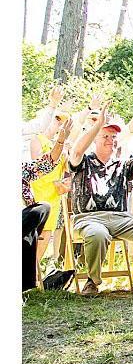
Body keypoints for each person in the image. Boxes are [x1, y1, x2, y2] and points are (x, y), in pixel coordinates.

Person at [67, 103, 133, 299]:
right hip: (88, 219)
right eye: (105, 136)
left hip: (121, 218)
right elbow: (76, 152)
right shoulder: (84, 161)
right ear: (95, 139)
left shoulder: (121, 164)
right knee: (97, 233)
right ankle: (92, 281)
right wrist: (98, 125)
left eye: (113, 137)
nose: (111, 140)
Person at [23, 118, 73, 290]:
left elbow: (46, 164)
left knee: (41, 209)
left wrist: (60, 141)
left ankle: (26, 278)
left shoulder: (21, 171)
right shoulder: (36, 141)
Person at [28, 109, 70, 264]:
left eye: (62, 122)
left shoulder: (64, 146)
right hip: (37, 193)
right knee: (33, 233)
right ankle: (26, 269)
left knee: (47, 233)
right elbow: (37, 163)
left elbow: (67, 169)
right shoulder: (38, 139)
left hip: (54, 194)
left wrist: (68, 151)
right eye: (56, 119)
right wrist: (57, 146)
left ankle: (35, 269)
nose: (58, 124)